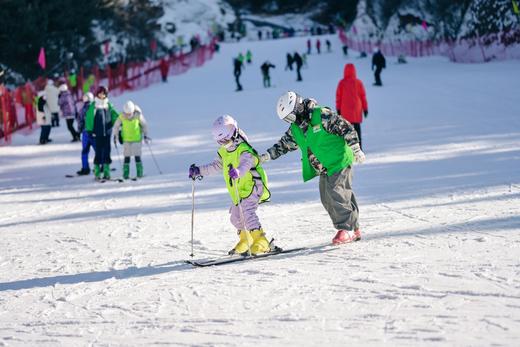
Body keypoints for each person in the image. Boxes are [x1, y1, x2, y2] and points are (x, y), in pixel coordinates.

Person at [259, 91, 365, 245]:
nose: (291, 121)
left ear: (298, 108)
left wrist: (355, 148)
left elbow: (345, 127)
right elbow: (285, 143)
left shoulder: (321, 115)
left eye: (291, 116)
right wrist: (267, 156)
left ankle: (346, 229)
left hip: (339, 160)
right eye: (287, 119)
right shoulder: (296, 128)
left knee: (337, 192)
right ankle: (353, 229)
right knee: (327, 198)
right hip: (324, 167)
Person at [188, 115, 272, 255]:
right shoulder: (224, 151)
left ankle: (262, 241)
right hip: (239, 190)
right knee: (235, 217)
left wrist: (239, 171)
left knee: (247, 212)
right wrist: (199, 171)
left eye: (225, 140)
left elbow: (247, 163)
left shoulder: (243, 149)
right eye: (220, 141)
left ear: (233, 133)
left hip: (253, 186)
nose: (223, 143)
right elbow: (216, 166)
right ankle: (246, 239)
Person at [84, 86, 119, 180]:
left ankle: (107, 171)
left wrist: (118, 123)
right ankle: (97, 172)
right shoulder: (94, 106)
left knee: (107, 152)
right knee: (98, 152)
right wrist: (90, 130)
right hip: (98, 134)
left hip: (107, 133)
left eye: (103, 93)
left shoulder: (109, 105)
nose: (101, 95)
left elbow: (114, 116)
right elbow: (89, 118)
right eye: (100, 93)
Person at [113, 101, 149, 179]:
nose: (128, 115)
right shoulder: (122, 116)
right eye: (126, 114)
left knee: (137, 155)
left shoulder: (138, 116)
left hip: (136, 139)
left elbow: (144, 125)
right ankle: (126, 174)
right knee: (127, 156)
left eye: (129, 114)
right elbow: (116, 126)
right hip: (126, 140)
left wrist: (145, 135)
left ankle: (139, 173)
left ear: (133, 111)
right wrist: (115, 136)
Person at [335, 63, 368, 149]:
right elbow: (363, 96)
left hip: (345, 110)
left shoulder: (342, 83)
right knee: (357, 130)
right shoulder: (358, 82)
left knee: (345, 130)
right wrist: (365, 109)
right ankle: (359, 148)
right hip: (356, 110)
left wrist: (338, 109)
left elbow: (338, 97)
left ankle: (346, 148)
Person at [76, 92, 95, 175]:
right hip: (94, 133)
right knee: (98, 150)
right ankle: (102, 166)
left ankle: (85, 168)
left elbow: (79, 121)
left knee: (85, 151)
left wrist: (79, 130)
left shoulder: (83, 109)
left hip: (86, 133)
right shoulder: (95, 108)